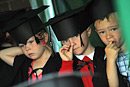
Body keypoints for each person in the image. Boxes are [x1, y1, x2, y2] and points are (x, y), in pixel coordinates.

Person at [40, 3, 109, 87]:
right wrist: (67, 63)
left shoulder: (106, 55)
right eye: (65, 40)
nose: (72, 43)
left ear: (88, 31)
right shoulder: (56, 65)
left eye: (76, 36)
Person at [0, 5, 62, 87]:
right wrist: (24, 48)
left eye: (31, 42)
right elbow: (2, 54)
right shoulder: (25, 65)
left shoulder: (60, 62)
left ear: (45, 37)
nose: (27, 48)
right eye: (22, 45)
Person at [89, 0, 129, 86]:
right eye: (102, 32)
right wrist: (110, 61)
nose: (108, 36)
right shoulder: (102, 60)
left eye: (113, 29)